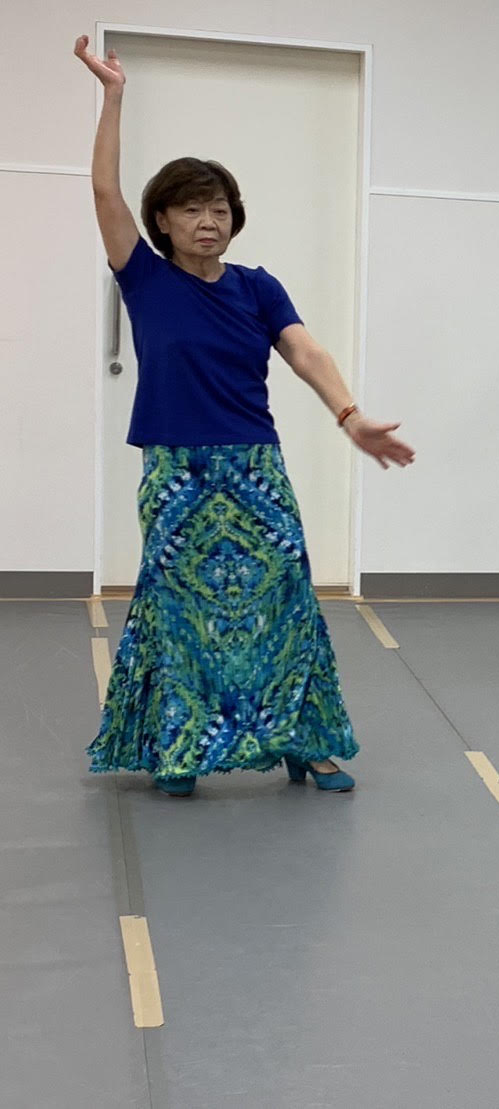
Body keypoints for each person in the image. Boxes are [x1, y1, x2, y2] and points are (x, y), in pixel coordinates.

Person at [76, 36, 414, 797]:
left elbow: (304, 351)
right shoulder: (144, 277)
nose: (208, 220)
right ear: (162, 220)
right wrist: (114, 97)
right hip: (175, 468)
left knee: (286, 602)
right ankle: (182, 745)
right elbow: (103, 193)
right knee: (179, 608)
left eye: (220, 208)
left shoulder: (258, 287)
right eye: (191, 208)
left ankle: (305, 741)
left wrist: (351, 415)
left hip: (254, 465)